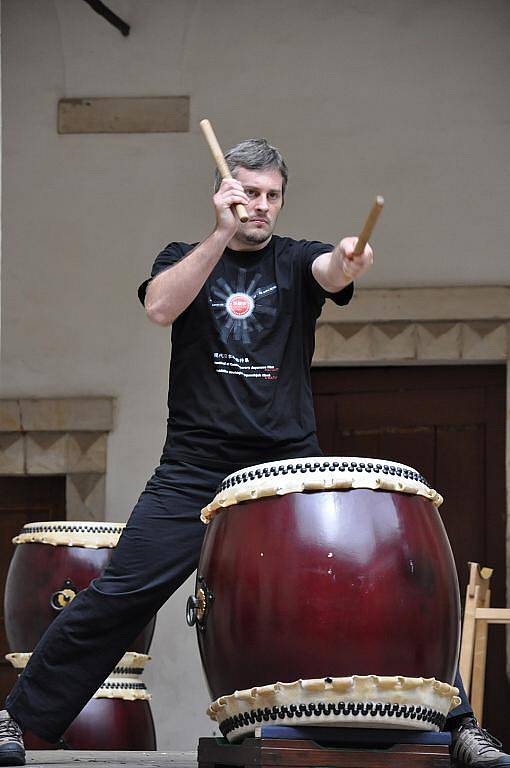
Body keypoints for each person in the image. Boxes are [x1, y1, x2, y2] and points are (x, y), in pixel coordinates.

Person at [0, 139, 508, 768]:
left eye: (272, 196)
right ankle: (17, 721)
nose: (261, 207)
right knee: (119, 592)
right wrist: (218, 234)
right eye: (249, 193)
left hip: (285, 466)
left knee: (370, 580)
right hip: (193, 467)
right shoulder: (183, 257)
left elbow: (331, 269)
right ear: (224, 192)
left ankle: (460, 724)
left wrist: (349, 262)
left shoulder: (295, 262)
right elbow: (160, 307)